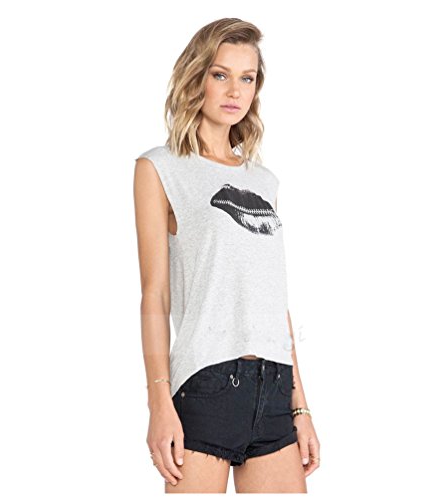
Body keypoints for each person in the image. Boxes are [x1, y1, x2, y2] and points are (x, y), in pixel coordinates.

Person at [133, 17, 320, 493]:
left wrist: (300, 406)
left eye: (247, 78)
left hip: (274, 387)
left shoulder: (264, 181)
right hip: (207, 382)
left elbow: (274, 300)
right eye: (221, 74)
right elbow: (154, 295)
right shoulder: (160, 168)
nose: (235, 90)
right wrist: (158, 403)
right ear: (197, 76)